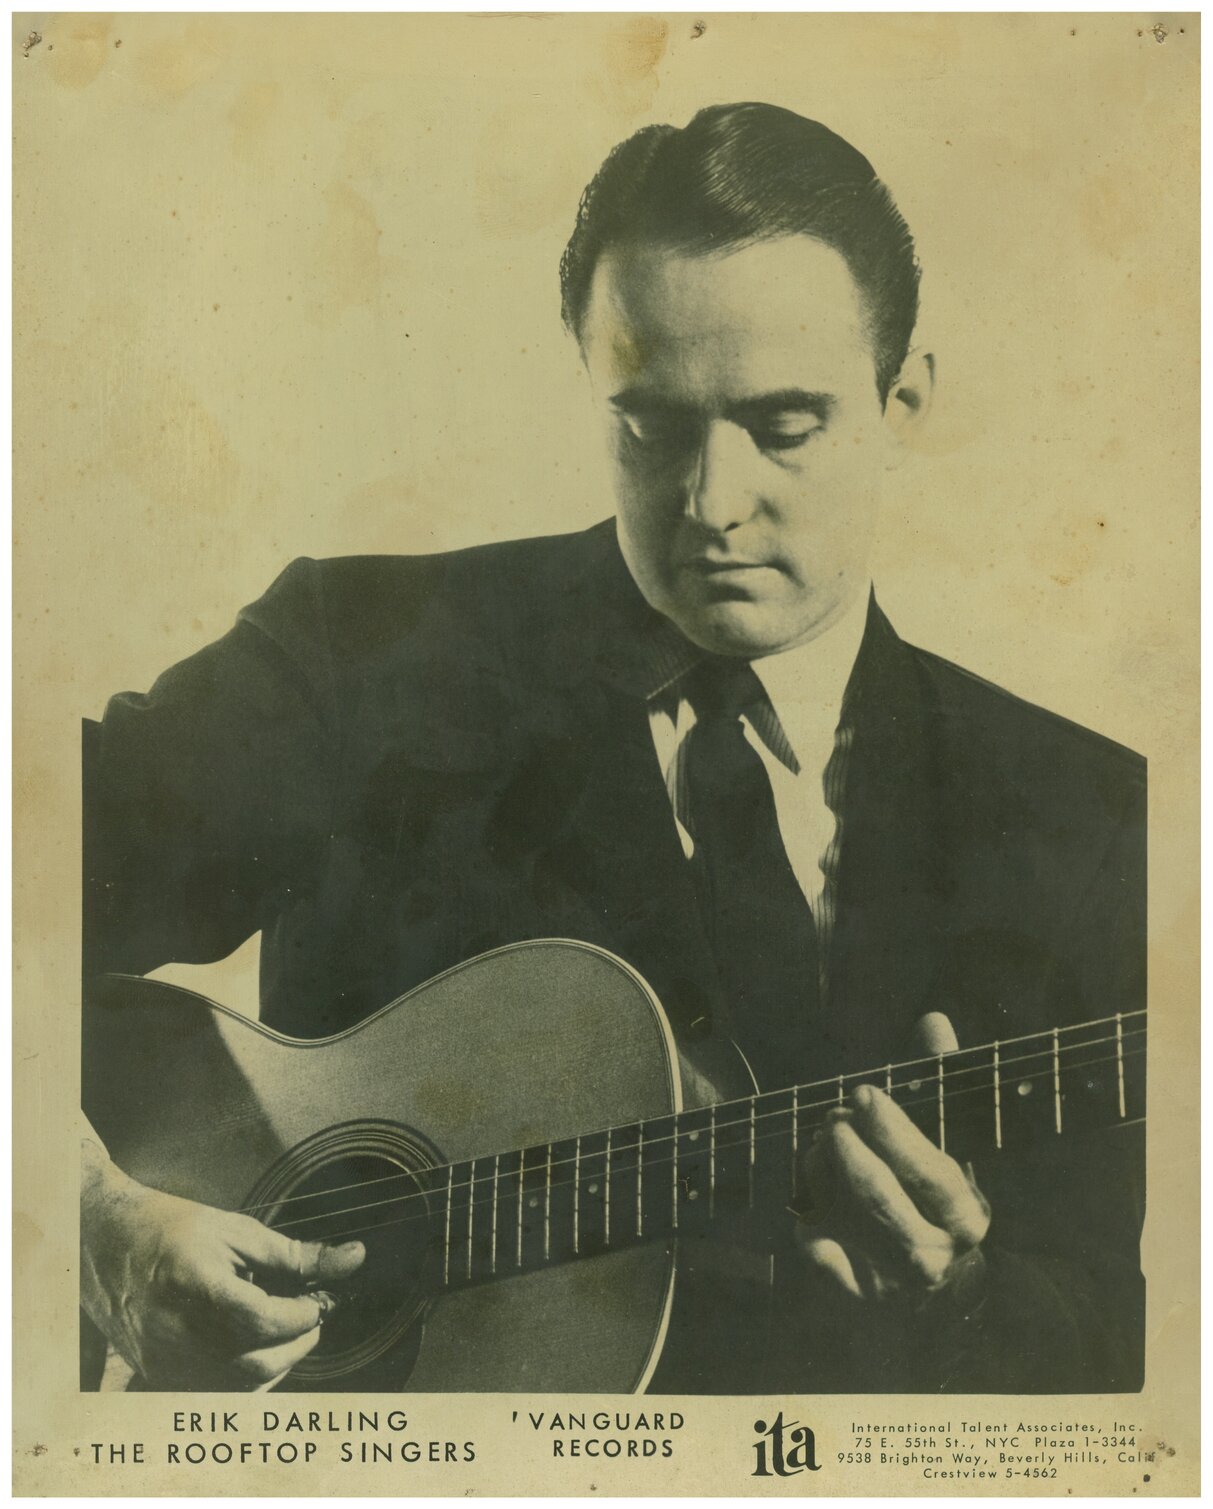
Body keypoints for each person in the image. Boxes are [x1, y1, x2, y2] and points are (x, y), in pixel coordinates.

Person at [80, 102, 1145, 1394]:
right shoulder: (357, 657)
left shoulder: (1089, 814)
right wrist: (90, 1225)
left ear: (902, 396)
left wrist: (963, 1294)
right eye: (651, 426)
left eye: (785, 424)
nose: (710, 500)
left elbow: (1117, 1348)